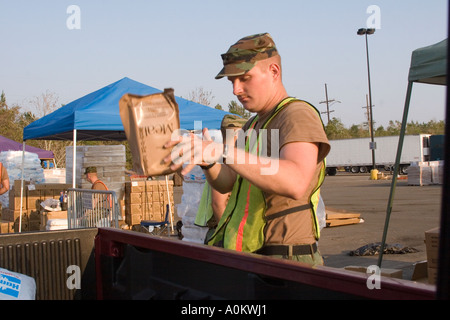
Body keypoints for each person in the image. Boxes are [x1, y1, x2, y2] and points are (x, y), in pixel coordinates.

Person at [165, 33, 330, 266]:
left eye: (244, 78)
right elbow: (228, 183)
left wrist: (222, 151)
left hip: (289, 259)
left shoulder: (296, 115)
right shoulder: (251, 125)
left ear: (274, 72)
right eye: (231, 81)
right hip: (254, 253)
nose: (235, 89)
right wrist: (209, 161)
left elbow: (296, 181)